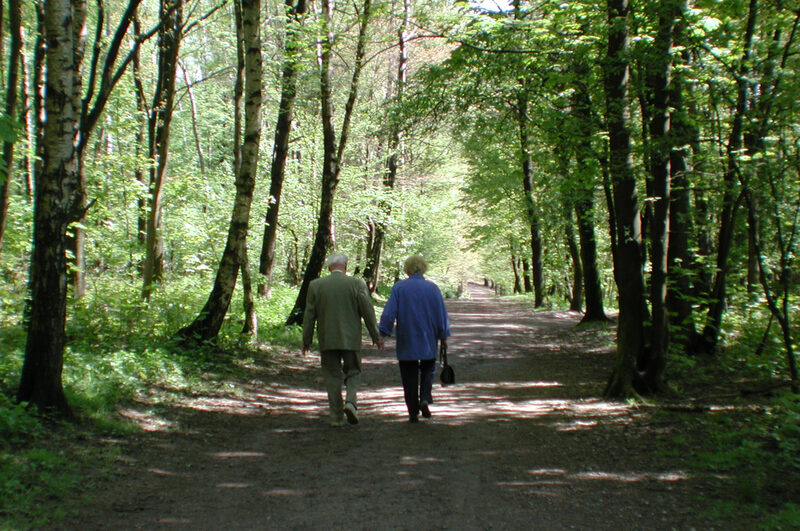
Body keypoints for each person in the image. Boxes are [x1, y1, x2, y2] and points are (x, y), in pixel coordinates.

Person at [302, 254, 383, 426]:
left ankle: (336, 417)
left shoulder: (315, 285)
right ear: (345, 267)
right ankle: (351, 402)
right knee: (354, 371)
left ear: (329, 267)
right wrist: (376, 336)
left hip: (327, 339)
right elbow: (367, 311)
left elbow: (309, 315)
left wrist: (306, 340)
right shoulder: (356, 284)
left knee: (332, 376)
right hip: (351, 339)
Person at [379, 255, 451, 423]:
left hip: (407, 337)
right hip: (428, 337)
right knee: (428, 368)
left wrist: (383, 332)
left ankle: (412, 411)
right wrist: (443, 335)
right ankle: (425, 397)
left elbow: (390, 313)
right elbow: (441, 315)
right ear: (423, 268)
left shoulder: (399, 288)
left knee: (408, 373)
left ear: (407, 269)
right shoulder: (433, 289)